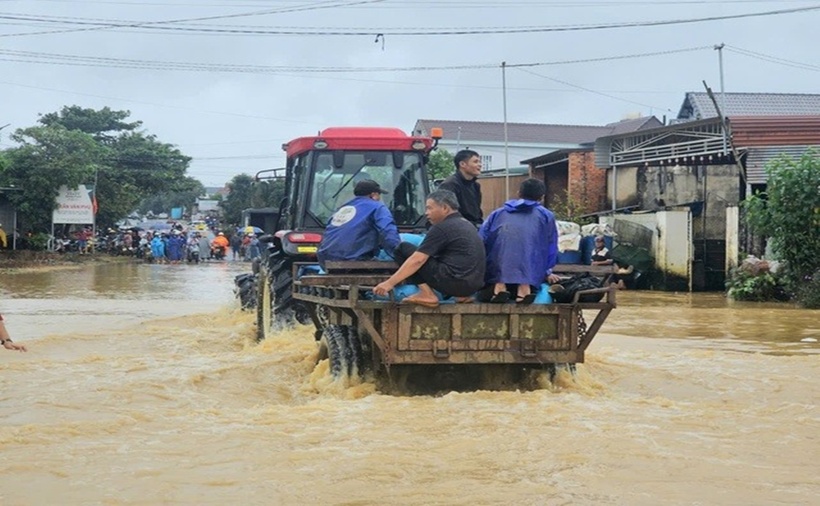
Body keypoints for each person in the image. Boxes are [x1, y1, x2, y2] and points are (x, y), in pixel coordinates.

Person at [373, 189, 485, 307]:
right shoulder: (467, 224)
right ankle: (462, 296)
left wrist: (389, 283)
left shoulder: (442, 228)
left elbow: (418, 260)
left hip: (454, 283)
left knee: (402, 248)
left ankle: (427, 294)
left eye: (429, 208)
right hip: (472, 286)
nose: (426, 213)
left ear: (445, 208)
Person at [478, 178, 559, 304]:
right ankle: (524, 290)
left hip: (495, 275)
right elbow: (551, 246)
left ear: (519, 193)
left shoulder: (497, 214)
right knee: (530, 265)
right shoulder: (546, 216)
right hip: (532, 277)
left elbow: (481, 239)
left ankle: (499, 288)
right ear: (542, 197)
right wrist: (547, 271)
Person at [317, 179, 401, 267]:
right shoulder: (377, 206)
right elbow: (387, 231)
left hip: (325, 260)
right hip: (355, 260)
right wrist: (398, 253)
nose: (380, 198)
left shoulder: (342, 208)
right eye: (379, 195)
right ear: (373, 195)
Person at [437, 149, 483, 226]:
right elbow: (446, 212)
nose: (480, 165)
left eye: (479, 162)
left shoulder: (475, 186)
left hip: (474, 226)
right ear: (462, 164)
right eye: (475, 162)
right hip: (457, 227)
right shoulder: (450, 184)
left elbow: (477, 213)